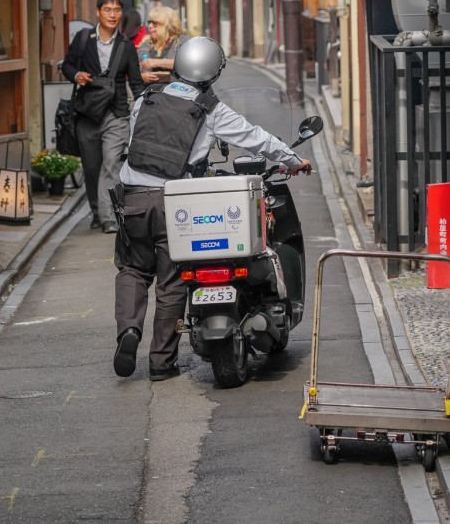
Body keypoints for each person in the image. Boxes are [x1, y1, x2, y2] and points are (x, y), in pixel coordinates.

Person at [112, 37, 313, 382]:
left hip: (131, 198)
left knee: (132, 269)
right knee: (172, 281)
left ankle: (129, 331)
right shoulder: (210, 109)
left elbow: (133, 142)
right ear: (212, 73)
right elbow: (255, 138)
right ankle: (161, 363)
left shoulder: (146, 98)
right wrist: (294, 160)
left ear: (179, 64)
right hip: (172, 202)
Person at [61, 0, 145, 233]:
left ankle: (108, 217)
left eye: (117, 10)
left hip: (116, 113)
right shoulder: (82, 39)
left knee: (111, 164)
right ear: (98, 12)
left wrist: (143, 107)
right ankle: (98, 212)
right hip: (87, 113)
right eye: (107, 10)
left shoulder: (126, 46)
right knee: (92, 166)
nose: (112, 14)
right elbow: (67, 65)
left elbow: (136, 82)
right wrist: (76, 75)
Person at [137, 6, 189, 85]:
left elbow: (188, 64)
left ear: (167, 25)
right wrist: (142, 77)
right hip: (151, 93)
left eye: (154, 23)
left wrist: (158, 63)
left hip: (178, 92)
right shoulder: (146, 44)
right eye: (149, 22)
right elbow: (133, 71)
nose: (150, 26)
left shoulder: (182, 41)